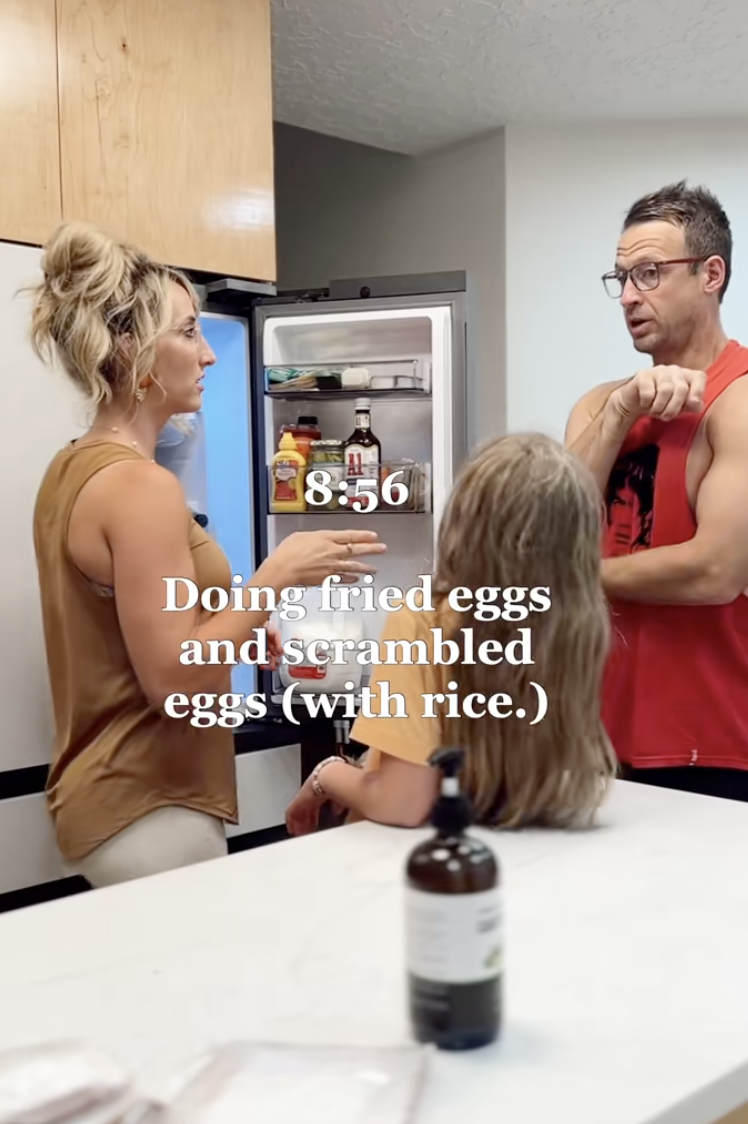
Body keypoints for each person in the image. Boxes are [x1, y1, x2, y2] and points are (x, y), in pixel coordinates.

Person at [29, 221, 386, 887]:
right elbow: (171, 683)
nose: (209, 354)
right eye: (188, 331)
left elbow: (132, 637)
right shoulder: (142, 487)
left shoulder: (72, 468)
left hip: (103, 796)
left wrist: (241, 631)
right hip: (151, 805)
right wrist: (275, 578)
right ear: (131, 346)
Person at [284, 433, 617, 835]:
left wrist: (328, 774)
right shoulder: (578, 625)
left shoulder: (426, 618)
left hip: (419, 862)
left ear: (465, 522)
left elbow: (402, 802)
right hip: (524, 847)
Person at [564, 180, 748, 800]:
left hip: (715, 740)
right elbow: (553, 527)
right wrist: (618, 414)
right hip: (592, 733)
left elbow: (714, 571)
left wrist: (569, 575)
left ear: (711, 274)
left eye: (648, 274)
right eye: (620, 279)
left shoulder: (740, 400)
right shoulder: (600, 403)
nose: (627, 297)